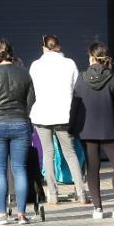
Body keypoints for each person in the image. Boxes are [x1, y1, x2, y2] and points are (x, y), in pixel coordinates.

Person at [74, 43, 114, 220]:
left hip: (87, 130)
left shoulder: (81, 78)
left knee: (92, 168)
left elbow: (75, 105)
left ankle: (97, 209)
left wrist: (72, 127)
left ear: (91, 58)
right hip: (110, 130)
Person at [0, 39, 35, 225]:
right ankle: (21, 214)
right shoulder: (24, 73)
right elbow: (32, 99)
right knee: (20, 169)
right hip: (21, 123)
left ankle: (1, 214)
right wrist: (23, 113)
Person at [30, 34, 86, 205]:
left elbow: (31, 89)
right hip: (64, 115)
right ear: (58, 46)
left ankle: (53, 194)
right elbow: (77, 89)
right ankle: (81, 193)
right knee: (70, 153)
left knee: (48, 153)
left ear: (44, 48)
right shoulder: (69, 64)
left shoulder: (35, 65)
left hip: (42, 114)